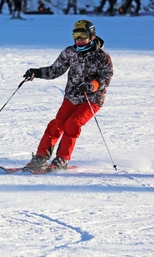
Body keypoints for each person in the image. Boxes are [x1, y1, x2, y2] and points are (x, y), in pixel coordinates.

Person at [22, 20, 113, 172]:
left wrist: (92, 86)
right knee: (56, 124)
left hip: (92, 99)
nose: (78, 39)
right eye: (75, 35)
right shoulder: (70, 52)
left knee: (73, 123)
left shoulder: (102, 57)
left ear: (91, 36)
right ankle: (41, 158)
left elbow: (106, 78)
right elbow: (54, 71)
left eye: (82, 35)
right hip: (71, 97)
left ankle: (62, 159)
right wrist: (36, 72)